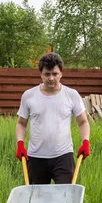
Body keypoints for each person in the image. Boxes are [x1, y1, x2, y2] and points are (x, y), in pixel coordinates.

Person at [15, 52, 90, 184]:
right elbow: (21, 124)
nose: (51, 78)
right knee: (37, 201)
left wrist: (85, 142)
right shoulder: (29, 96)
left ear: (61, 73)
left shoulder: (71, 95)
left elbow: (83, 122)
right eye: (47, 74)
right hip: (36, 157)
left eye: (55, 74)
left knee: (64, 199)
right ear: (41, 74)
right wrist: (20, 144)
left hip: (63, 156)